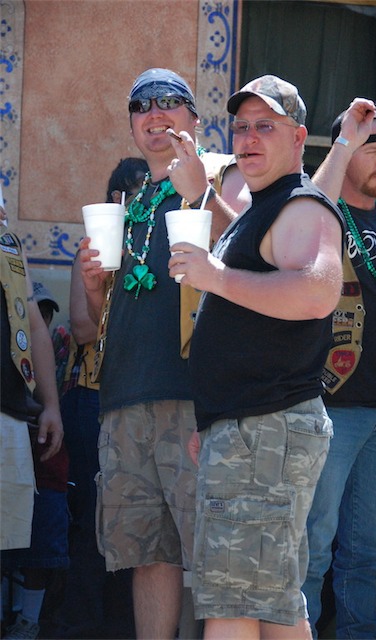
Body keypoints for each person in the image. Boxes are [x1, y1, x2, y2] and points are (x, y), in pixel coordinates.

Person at [168, 74, 345, 640]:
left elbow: (318, 293)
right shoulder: (266, 208)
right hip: (251, 429)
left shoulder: (302, 206)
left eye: (264, 126)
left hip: (264, 431)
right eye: (241, 127)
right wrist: (217, 418)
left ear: (298, 138)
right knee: (272, 605)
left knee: (233, 606)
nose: (247, 138)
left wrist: (215, 276)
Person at [79, 68, 250, 640]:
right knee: (148, 555)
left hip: (195, 400)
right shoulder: (131, 201)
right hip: (124, 398)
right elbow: (106, 317)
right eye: (141, 105)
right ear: (132, 125)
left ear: (194, 118)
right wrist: (94, 288)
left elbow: (253, 252)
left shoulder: (222, 174)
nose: (155, 113)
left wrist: (200, 191)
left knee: (215, 555)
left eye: (170, 101)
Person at [302, 99, 376, 639]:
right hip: (332, 407)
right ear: (344, 151)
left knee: (369, 552)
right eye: (371, 148)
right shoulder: (321, 216)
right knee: (313, 545)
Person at [55, 157, 146, 640]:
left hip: (144, 400)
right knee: (96, 518)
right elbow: (83, 328)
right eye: (137, 193)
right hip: (93, 398)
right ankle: (80, 625)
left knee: (140, 523)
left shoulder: (158, 250)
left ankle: (123, 626)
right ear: (117, 200)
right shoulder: (94, 250)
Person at [1, 208, 63, 633]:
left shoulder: (8, 246)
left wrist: (51, 405)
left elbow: (35, 326)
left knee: (6, 549)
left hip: (8, 415)